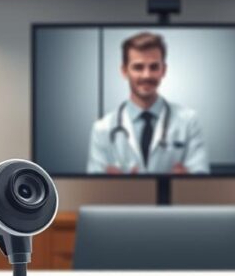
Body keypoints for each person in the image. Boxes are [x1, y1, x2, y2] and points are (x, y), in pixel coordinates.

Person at [86, 32, 209, 175]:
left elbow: (201, 180)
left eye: (154, 67)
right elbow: (93, 189)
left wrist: (185, 180)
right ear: (124, 71)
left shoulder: (188, 122)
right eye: (138, 67)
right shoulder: (103, 129)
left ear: (163, 70)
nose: (147, 75)